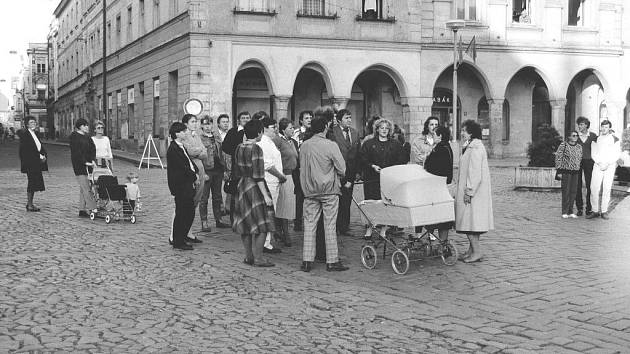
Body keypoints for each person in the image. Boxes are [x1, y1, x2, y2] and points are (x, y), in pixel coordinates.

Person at [299, 106, 349, 272]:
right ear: (326, 127)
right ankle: (332, 261)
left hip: (310, 191)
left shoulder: (305, 145)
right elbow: (342, 169)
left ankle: (307, 260)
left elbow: (302, 169)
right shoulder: (331, 145)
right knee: (329, 225)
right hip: (329, 190)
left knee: (310, 225)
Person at [232, 119, 276, 267]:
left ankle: (248, 256)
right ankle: (258, 258)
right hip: (254, 187)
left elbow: (237, 170)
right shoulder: (256, 149)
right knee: (262, 224)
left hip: (242, 186)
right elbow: (258, 175)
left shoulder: (239, 147)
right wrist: (265, 195)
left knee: (245, 223)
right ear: (259, 133)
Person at [455, 120, 494, 263]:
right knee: (470, 223)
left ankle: (477, 252)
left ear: (470, 132)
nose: (462, 133)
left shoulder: (476, 147)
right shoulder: (471, 146)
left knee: (469, 223)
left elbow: (475, 172)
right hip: (473, 192)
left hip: (474, 193)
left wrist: (469, 192)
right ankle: (471, 250)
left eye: (464, 130)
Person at [360, 118, 405, 238]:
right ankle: (369, 228)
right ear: (377, 129)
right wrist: (372, 166)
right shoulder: (369, 144)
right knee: (371, 203)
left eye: (386, 128)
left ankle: (384, 229)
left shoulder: (395, 144)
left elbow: (401, 160)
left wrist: (391, 171)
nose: (384, 130)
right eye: (382, 128)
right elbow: (363, 159)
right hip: (372, 179)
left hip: (388, 180)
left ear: (389, 130)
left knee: (386, 203)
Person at [167, 122, 199, 251]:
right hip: (181, 185)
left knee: (189, 211)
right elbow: (183, 167)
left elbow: (189, 163)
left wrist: (195, 170)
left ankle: (183, 235)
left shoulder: (181, 146)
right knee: (181, 213)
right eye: (184, 131)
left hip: (187, 184)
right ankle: (178, 241)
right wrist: (194, 176)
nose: (186, 133)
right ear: (177, 133)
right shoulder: (173, 149)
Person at [257, 115, 286, 253]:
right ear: (264, 129)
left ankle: (266, 241)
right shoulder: (263, 142)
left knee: (270, 212)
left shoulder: (270, 141)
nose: (275, 130)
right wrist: (280, 176)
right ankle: (265, 243)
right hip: (269, 180)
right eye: (273, 127)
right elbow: (267, 165)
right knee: (267, 212)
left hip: (274, 181)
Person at [330, 109, 360, 236]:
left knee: (347, 200)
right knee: (336, 199)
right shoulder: (332, 133)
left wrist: (358, 172)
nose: (349, 120)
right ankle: (334, 225)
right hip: (336, 171)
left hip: (351, 172)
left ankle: (344, 226)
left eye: (350, 117)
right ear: (339, 120)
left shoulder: (355, 132)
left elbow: (358, 153)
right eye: (346, 118)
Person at [199, 116, 230, 231]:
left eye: (209, 124)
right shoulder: (200, 138)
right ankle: (204, 222)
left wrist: (225, 169)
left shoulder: (216, 137)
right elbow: (199, 157)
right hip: (207, 170)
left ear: (212, 125)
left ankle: (219, 220)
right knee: (204, 198)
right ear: (201, 126)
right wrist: (202, 173)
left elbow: (222, 153)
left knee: (217, 196)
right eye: (205, 125)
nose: (208, 127)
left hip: (218, 169)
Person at [423, 126, 454, 241]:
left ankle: (443, 243)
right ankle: (443, 242)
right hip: (442, 185)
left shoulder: (440, 148)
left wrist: (427, 161)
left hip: (438, 186)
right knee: (443, 218)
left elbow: (433, 167)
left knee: (440, 217)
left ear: (440, 136)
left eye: (435, 134)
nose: (433, 137)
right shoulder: (445, 146)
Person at [586, 120, 621, 220]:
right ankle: (595, 210)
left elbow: (616, 154)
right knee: (594, 188)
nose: (604, 129)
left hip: (609, 166)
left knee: (606, 189)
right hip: (598, 166)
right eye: (602, 127)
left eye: (606, 127)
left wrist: (607, 163)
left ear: (609, 128)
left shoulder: (615, 139)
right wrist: (599, 163)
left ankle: (604, 211)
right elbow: (594, 153)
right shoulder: (596, 139)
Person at [222, 111, 251, 223]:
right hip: (237, 167)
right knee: (235, 194)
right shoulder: (233, 132)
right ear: (239, 120)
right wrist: (236, 152)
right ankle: (234, 219)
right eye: (243, 118)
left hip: (249, 167)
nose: (245, 119)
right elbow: (225, 147)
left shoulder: (252, 131)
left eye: (247, 117)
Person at [273, 118, 298, 247]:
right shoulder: (278, 140)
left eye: (293, 128)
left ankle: (282, 231)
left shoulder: (293, 141)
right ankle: (283, 232)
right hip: (282, 176)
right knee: (282, 205)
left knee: (287, 205)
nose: (293, 130)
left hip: (291, 176)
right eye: (290, 128)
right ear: (283, 130)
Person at [18, 116, 48, 212]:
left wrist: (43, 155)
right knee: (32, 182)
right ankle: (29, 204)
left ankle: (30, 203)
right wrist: (40, 157)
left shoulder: (35, 133)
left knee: (34, 182)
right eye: (31, 122)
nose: (33, 124)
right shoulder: (26, 135)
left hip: (36, 163)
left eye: (34, 122)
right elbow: (27, 150)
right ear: (27, 124)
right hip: (30, 163)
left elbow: (39, 146)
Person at [69, 118, 98, 218]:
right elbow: (76, 152)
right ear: (80, 126)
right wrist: (84, 162)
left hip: (89, 165)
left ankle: (82, 210)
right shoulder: (74, 137)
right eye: (85, 125)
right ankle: (93, 208)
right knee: (86, 188)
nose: (87, 127)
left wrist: (92, 160)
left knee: (84, 187)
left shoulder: (87, 137)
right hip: (79, 165)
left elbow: (92, 148)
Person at [555, 130, 583, 218]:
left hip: (575, 172)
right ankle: (564, 211)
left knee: (573, 192)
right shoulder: (564, 145)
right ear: (569, 137)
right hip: (566, 171)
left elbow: (580, 158)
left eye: (577, 135)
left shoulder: (579, 147)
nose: (575, 137)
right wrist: (559, 171)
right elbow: (558, 158)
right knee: (566, 192)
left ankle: (571, 211)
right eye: (573, 135)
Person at [575, 116, 598, 216]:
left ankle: (589, 208)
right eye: (579, 124)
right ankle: (579, 208)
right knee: (577, 185)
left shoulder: (593, 136)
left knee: (590, 185)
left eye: (581, 124)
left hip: (589, 162)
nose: (579, 126)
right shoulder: (575, 135)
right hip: (577, 162)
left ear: (586, 125)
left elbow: (598, 148)